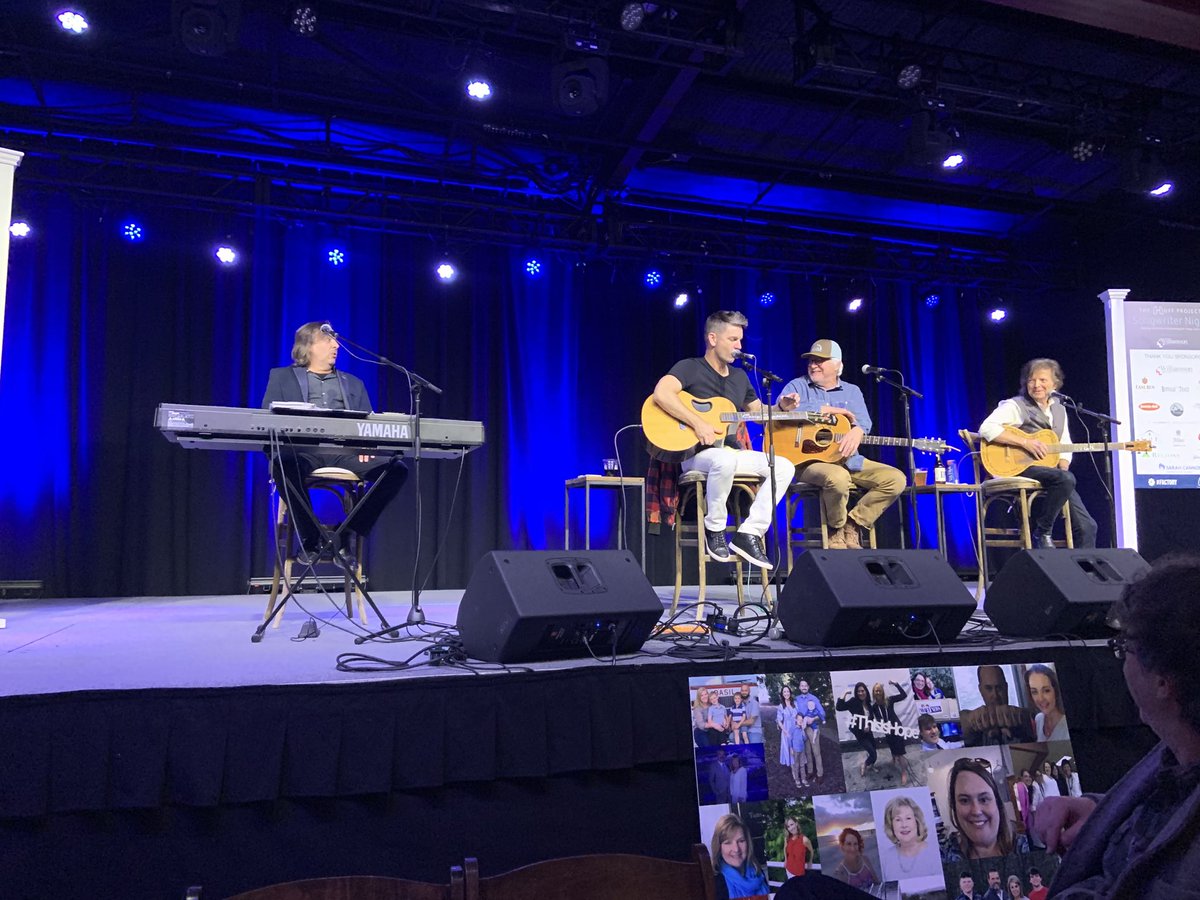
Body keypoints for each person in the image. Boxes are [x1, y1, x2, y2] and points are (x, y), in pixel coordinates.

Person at [1033, 564, 1200, 895]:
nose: (1122, 661)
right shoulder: (1180, 747)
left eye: (1126, 649)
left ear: (1163, 682)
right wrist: (1100, 813)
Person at [652, 310, 798, 569]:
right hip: (694, 455)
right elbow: (662, 393)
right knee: (724, 460)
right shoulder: (689, 367)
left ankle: (749, 532)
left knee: (784, 466)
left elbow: (760, 415)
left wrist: (781, 407)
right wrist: (697, 422)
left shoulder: (740, 377)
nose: (739, 346)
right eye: (733, 339)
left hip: (728, 453)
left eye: (740, 340)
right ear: (712, 338)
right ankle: (715, 529)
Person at [262, 321, 407, 561]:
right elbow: (268, 420)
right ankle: (311, 539)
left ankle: (349, 531)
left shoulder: (354, 383)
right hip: (302, 451)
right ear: (308, 346)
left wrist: (366, 445)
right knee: (282, 464)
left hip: (344, 452)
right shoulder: (281, 377)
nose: (335, 345)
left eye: (335, 340)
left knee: (396, 470)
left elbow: (368, 427)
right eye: (328, 340)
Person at [781, 338, 906, 549]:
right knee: (838, 477)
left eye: (820, 360)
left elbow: (864, 421)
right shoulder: (798, 385)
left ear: (838, 365)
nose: (813, 365)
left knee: (895, 479)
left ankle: (853, 524)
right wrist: (830, 410)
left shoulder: (852, 391)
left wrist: (858, 430)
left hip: (849, 459)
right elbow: (782, 410)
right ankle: (836, 528)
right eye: (811, 360)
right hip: (808, 462)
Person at [977, 358, 1097, 549]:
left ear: (1055, 384)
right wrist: (1025, 442)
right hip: (1018, 467)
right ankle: (1042, 531)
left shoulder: (1059, 409)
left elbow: (1064, 443)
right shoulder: (1016, 405)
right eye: (1032, 380)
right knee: (1064, 479)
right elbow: (986, 428)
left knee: (1087, 526)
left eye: (1042, 380)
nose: (1036, 385)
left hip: (1052, 474)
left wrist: (1062, 466)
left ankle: (1084, 575)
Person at [942, 757, 1030, 861]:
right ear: (954, 806)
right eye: (965, 800)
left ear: (997, 803)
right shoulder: (945, 855)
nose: (976, 811)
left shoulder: (1024, 847)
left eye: (983, 799)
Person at [961, 665, 1036, 746]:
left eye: (999, 688)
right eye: (989, 688)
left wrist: (1024, 719)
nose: (995, 695)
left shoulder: (1023, 719)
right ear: (981, 690)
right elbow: (963, 719)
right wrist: (970, 720)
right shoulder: (976, 724)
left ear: (1006, 688)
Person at [877, 794, 940, 880]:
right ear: (891, 825)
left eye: (908, 818)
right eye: (898, 820)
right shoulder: (886, 859)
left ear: (917, 821)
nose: (904, 825)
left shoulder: (936, 853)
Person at [710, 812, 770, 900]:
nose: (736, 849)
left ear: (748, 842)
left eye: (741, 841)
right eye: (728, 843)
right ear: (719, 847)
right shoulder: (714, 882)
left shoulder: (758, 872)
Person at [870, 681, 911, 786]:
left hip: (896, 728)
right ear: (873, 693)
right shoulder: (874, 707)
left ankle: (903, 772)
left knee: (900, 752)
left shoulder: (889, 700)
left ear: (882, 691)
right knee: (892, 747)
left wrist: (896, 684)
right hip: (887, 730)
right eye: (876, 691)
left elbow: (904, 695)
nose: (878, 692)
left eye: (879, 690)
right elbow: (873, 719)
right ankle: (893, 759)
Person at [836, 682, 877, 776]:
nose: (860, 693)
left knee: (874, 751)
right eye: (858, 691)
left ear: (866, 691)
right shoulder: (853, 701)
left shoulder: (868, 703)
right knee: (873, 753)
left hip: (869, 732)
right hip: (860, 734)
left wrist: (870, 726)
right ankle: (864, 764)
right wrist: (845, 693)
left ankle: (871, 765)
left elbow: (871, 718)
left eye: (862, 691)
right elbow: (839, 707)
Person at [1026, 664, 1069, 742]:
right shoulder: (1038, 719)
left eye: (1046, 690)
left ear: (1055, 691)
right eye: (1034, 692)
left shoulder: (1066, 727)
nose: (1041, 699)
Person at [796, 680, 827, 783]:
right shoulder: (797, 699)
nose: (804, 687)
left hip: (813, 728)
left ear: (808, 687)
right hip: (803, 728)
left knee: (816, 752)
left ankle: (820, 774)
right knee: (807, 752)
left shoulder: (813, 698)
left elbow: (822, 713)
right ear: (799, 687)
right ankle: (810, 771)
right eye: (802, 685)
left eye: (806, 685)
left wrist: (813, 719)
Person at [789, 712, 809, 788]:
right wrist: (791, 748)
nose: (800, 721)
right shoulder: (793, 728)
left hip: (802, 749)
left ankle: (803, 779)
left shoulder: (802, 729)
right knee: (796, 765)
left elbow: (805, 739)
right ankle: (797, 780)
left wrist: (803, 730)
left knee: (802, 765)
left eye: (802, 720)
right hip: (795, 749)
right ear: (796, 720)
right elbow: (790, 739)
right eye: (799, 719)